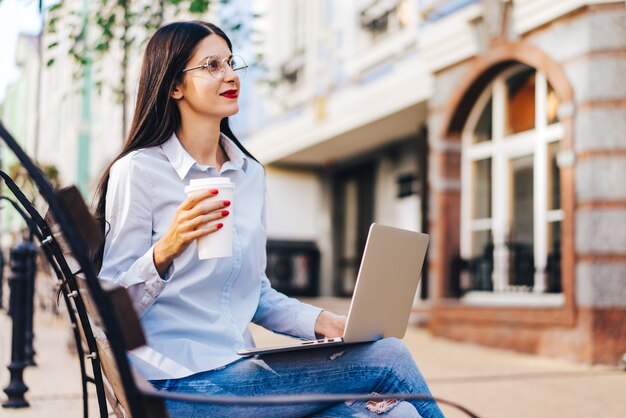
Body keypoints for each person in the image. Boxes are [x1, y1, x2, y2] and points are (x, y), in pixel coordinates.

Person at [96, 21, 444, 418]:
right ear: (175, 86)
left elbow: (256, 294)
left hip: (241, 370)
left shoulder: (249, 175)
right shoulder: (139, 172)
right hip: (175, 384)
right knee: (389, 357)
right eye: (211, 65)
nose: (229, 75)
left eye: (230, 62)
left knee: (387, 415)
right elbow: (110, 308)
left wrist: (324, 323)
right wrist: (165, 250)